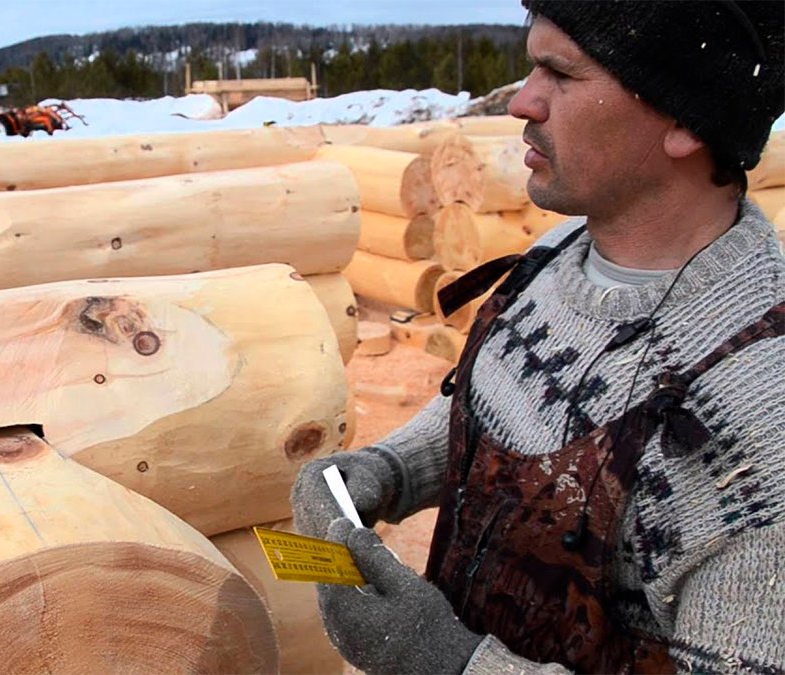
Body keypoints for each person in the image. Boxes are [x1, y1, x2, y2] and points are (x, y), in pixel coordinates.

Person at [291, 1, 785, 672]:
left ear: (684, 118)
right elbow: (511, 398)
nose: (523, 101)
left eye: (560, 72)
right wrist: (389, 470)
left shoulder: (759, 422)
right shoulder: (558, 254)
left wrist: (451, 663)